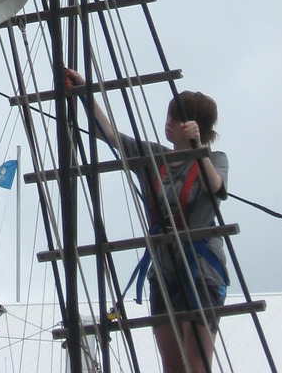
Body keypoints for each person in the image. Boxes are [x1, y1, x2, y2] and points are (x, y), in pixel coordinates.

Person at [65, 70, 228, 373]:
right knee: (172, 366)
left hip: (201, 272)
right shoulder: (153, 156)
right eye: (168, 116)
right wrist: (85, 93)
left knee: (197, 364)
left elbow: (215, 186)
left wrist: (196, 148)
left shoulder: (213, 159)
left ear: (195, 127)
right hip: (164, 273)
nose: (168, 124)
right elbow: (110, 135)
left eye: (176, 119)